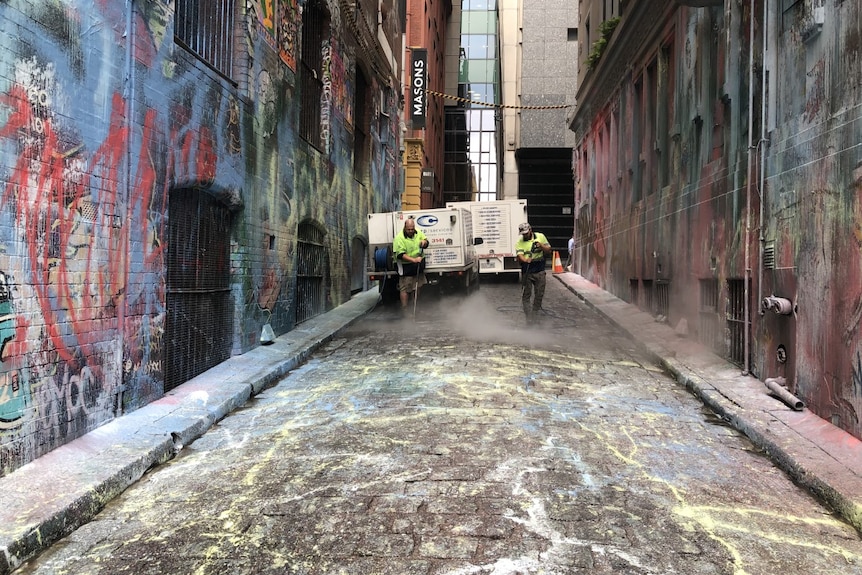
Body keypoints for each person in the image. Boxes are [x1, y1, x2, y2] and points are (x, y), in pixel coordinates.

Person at [515, 222, 551, 324]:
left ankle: (535, 315)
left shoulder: (540, 236)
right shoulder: (519, 242)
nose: (524, 235)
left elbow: (548, 250)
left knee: (539, 294)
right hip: (527, 271)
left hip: (539, 270)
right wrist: (526, 260)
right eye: (523, 234)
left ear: (530, 230)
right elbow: (520, 256)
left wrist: (541, 246)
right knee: (526, 295)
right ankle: (529, 318)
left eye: (526, 233)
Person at [393, 217, 430, 313]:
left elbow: (426, 242)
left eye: (412, 229)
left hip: (418, 266)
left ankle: (415, 306)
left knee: (417, 287)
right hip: (406, 267)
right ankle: (405, 309)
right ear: (405, 228)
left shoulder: (418, 233)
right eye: (408, 229)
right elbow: (400, 255)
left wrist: (424, 242)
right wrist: (413, 260)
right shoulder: (399, 238)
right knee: (405, 288)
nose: (410, 231)